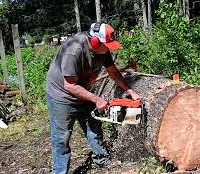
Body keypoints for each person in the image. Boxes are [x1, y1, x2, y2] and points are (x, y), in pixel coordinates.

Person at [46, 23, 140, 174]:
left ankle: (101, 158)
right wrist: (97, 99)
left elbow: (113, 72)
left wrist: (129, 90)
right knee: (61, 138)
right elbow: (70, 86)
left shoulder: (103, 50)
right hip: (61, 96)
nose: (108, 49)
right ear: (95, 41)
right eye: (106, 45)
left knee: (94, 126)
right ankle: (60, 171)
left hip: (83, 91)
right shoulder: (74, 50)